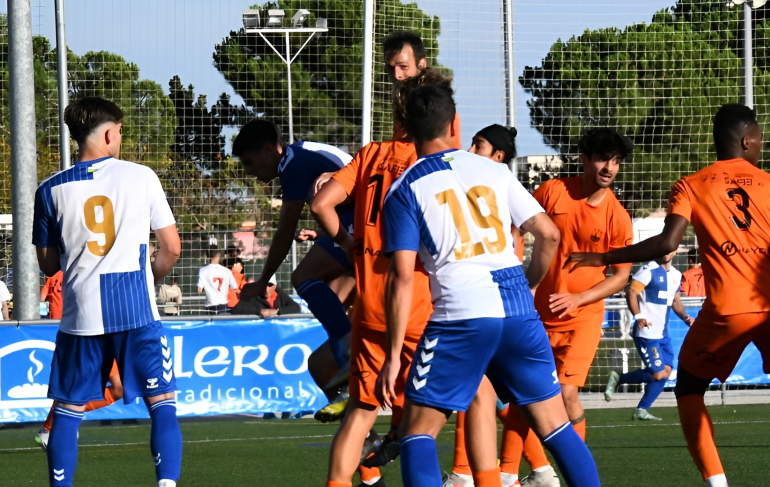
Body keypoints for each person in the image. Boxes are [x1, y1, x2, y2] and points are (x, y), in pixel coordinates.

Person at [567, 104, 770, 487]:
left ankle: (718, 483)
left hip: (727, 310)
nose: (760, 147)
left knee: (689, 389)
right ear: (747, 141)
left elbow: (667, 242)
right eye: (760, 140)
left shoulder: (691, 184)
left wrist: (604, 256)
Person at [380, 82, 601, 487]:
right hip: (518, 310)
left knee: (418, 432)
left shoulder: (404, 188)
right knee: (555, 427)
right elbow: (548, 234)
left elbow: (402, 276)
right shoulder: (495, 170)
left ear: (406, 128)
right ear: (453, 123)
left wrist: (394, 356)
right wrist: (527, 284)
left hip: (461, 316)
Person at [32, 96, 183, 487]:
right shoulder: (141, 176)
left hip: (81, 314)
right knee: (162, 403)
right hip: (135, 310)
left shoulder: (48, 190)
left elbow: (48, 266)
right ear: (110, 133)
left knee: (67, 409)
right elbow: (172, 248)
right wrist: (152, 274)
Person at [310, 59, 447, 487]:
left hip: (370, 304)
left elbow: (321, 205)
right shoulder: (430, 163)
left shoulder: (370, 155)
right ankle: (417, 456)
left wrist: (351, 246)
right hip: (418, 303)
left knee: (361, 409)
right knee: (440, 407)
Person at [499, 127, 633, 478]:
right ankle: (509, 475)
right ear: (585, 158)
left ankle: (575, 474)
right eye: (603, 158)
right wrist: (517, 277)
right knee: (524, 396)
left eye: (616, 161)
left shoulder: (618, 217)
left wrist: (577, 298)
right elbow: (517, 229)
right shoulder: (554, 190)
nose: (610, 167)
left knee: (567, 394)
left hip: (583, 317)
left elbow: (620, 277)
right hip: (536, 315)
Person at [448, 124, 555, 487]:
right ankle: (540, 470)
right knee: (504, 401)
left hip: (497, 306)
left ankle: (467, 475)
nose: (469, 149)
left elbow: (544, 235)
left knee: (482, 395)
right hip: (504, 306)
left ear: (498, 157)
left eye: (478, 144)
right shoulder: (487, 186)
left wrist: (530, 284)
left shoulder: (495, 187)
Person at [232, 117, 355, 372]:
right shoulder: (301, 153)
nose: (249, 172)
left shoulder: (292, 164)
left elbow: (284, 233)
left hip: (363, 220)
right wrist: (322, 237)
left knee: (304, 277)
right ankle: (346, 370)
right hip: (360, 218)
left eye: (249, 162)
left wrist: (261, 282)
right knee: (331, 298)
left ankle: (350, 352)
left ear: (268, 149)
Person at [605, 250, 694, 421]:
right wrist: (638, 316)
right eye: (664, 248)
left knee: (666, 372)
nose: (668, 252)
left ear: (675, 251)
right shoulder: (648, 270)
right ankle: (619, 378)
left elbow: (675, 301)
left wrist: (685, 317)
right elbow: (632, 293)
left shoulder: (676, 275)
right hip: (646, 333)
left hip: (663, 334)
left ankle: (642, 409)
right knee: (659, 374)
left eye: (671, 248)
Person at [36, 363, 124, 449]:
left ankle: (69, 415)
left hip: (109, 351)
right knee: (75, 386)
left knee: (120, 388)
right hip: (84, 351)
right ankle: (50, 430)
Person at [231, 278, 303, 317]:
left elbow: (296, 307)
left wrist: (277, 312)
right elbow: (237, 309)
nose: (266, 289)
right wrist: (259, 312)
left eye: (270, 285)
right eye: (264, 285)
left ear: (275, 286)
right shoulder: (253, 295)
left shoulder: (279, 294)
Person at [197, 248, 237, 314]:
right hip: (223, 304)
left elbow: (199, 289)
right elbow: (235, 287)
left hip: (210, 305)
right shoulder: (226, 271)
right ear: (218, 255)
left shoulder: (203, 270)